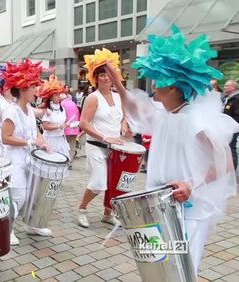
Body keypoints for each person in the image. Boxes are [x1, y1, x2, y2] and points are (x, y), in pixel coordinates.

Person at [115, 25, 238, 276]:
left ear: (172, 87)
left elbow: (226, 162)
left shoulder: (197, 119)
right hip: (161, 205)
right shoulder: (166, 113)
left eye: (158, 85)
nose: (154, 92)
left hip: (190, 209)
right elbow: (137, 110)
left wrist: (191, 184)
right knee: (162, 268)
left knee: (181, 271)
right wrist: (117, 80)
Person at [1, 59, 51, 245]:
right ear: (22, 88)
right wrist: (30, 141)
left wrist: (43, 141)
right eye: (33, 87)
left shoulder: (28, 109)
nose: (36, 90)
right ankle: (8, 229)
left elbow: (34, 130)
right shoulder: (11, 111)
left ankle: (32, 224)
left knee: (33, 194)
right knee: (19, 196)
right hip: (14, 160)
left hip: (30, 159)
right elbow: (5, 137)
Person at [77, 48, 128, 228]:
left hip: (116, 147)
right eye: (101, 75)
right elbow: (84, 123)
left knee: (114, 183)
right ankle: (82, 208)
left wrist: (124, 128)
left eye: (108, 74)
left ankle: (108, 213)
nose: (105, 78)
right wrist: (106, 137)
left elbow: (122, 118)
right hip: (96, 145)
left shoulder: (118, 96)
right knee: (99, 183)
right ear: (95, 77)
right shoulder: (92, 98)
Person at [39, 74, 71, 159]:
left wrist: (66, 125)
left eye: (59, 94)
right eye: (56, 95)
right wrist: (59, 126)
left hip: (60, 138)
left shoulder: (62, 109)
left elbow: (63, 123)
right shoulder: (48, 110)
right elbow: (45, 126)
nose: (59, 97)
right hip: (50, 139)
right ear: (50, 97)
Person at [61, 91, 81, 169]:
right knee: (72, 146)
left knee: (65, 145)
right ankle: (70, 162)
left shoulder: (62, 104)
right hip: (75, 127)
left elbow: (62, 117)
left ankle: (65, 160)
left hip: (66, 127)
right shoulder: (73, 103)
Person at [222, 80, 239, 169]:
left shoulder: (236, 99)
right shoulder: (227, 98)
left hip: (232, 128)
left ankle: (232, 169)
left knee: (231, 148)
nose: (224, 87)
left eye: (226, 85)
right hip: (225, 127)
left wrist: (229, 123)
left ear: (232, 87)